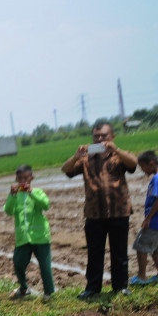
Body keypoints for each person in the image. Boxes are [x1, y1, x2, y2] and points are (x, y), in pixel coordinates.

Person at [61, 121, 139, 298]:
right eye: (96, 136)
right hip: (94, 213)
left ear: (112, 136)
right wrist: (76, 156)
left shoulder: (119, 156)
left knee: (119, 252)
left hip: (119, 211)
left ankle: (120, 287)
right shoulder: (86, 159)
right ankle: (92, 288)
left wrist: (116, 149)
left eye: (104, 135)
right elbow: (66, 169)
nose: (100, 139)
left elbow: (133, 164)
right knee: (95, 253)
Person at [3, 165, 55, 300]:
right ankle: (24, 287)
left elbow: (46, 205)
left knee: (45, 266)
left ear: (31, 178)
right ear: (16, 179)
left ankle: (49, 292)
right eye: (19, 179)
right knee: (18, 263)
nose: (23, 181)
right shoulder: (16, 197)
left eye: (25, 178)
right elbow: (8, 210)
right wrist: (11, 195)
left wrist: (31, 192)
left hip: (40, 237)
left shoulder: (37, 192)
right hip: (23, 239)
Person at [131, 150, 158, 285]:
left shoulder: (157, 178)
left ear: (151, 163)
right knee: (154, 248)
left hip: (154, 221)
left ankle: (142, 277)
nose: (143, 171)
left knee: (141, 245)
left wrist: (148, 218)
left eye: (143, 167)